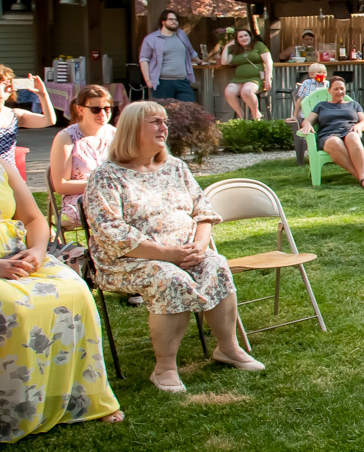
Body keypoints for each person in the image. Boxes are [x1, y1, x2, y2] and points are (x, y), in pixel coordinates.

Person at [84, 101, 263, 393]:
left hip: (184, 253)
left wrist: (198, 245)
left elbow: (202, 211)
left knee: (216, 264)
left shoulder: (175, 167)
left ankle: (228, 348)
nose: (163, 127)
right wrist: (168, 254)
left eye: (164, 121)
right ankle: (164, 368)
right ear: (132, 129)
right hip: (127, 261)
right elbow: (111, 233)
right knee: (170, 278)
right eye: (155, 122)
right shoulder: (107, 176)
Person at [0, 153, 123, 442]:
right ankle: (16, 409)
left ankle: (79, 398)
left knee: (75, 290)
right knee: (11, 305)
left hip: (19, 254)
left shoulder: (2, 164)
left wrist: (38, 252)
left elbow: (33, 218)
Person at [48, 85, 117, 228]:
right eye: (95, 109)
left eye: (107, 108)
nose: (103, 113)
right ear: (80, 109)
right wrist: (101, 186)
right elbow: (61, 185)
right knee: (112, 214)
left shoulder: (115, 134)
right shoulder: (66, 138)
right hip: (80, 201)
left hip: (114, 197)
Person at [299, 76, 364, 188]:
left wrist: (359, 126)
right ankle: (362, 177)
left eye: (342, 88)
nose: (340, 91)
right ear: (329, 90)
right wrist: (306, 125)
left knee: (353, 137)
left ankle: (362, 177)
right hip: (328, 136)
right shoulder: (322, 106)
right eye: (336, 89)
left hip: (349, 132)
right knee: (335, 142)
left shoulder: (353, 104)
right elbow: (307, 120)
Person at [0, 65, 60, 167]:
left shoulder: (14, 115)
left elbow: (49, 120)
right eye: (1, 84)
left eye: (7, 83)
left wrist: (43, 94)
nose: (5, 88)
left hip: (9, 176)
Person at [138, 9, 199, 102]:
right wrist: (148, 81)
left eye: (176, 20)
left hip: (182, 81)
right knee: (165, 112)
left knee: (188, 109)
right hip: (163, 82)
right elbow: (144, 59)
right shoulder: (151, 39)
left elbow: (191, 52)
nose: (174, 22)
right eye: (171, 19)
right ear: (163, 21)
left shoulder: (181, 35)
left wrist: (200, 61)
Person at [220, 27, 273, 121]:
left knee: (247, 91)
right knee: (229, 92)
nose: (244, 38)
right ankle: (241, 115)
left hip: (255, 78)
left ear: (250, 36)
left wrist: (268, 78)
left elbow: (269, 61)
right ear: (237, 40)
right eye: (240, 37)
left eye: (246, 35)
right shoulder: (236, 49)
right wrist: (228, 46)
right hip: (239, 79)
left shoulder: (258, 45)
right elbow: (224, 62)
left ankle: (255, 114)